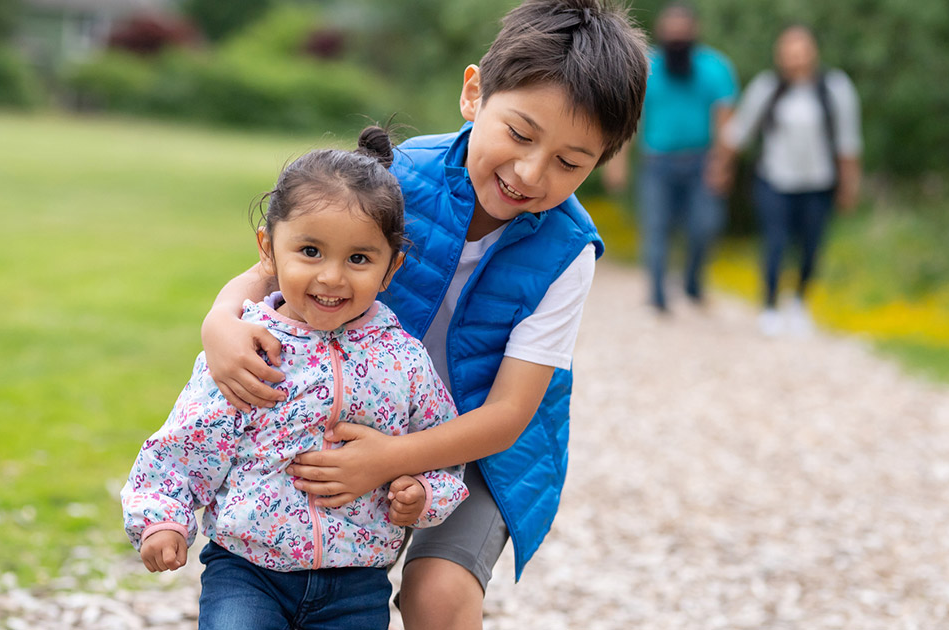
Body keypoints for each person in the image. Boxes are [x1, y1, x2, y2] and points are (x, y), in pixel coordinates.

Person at [199, 1, 650, 628]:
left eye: (570, 163)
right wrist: (220, 318)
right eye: (520, 134)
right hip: (358, 409)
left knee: (437, 594)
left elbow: (508, 415)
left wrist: (390, 459)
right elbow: (285, 262)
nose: (530, 172)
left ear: (600, 162)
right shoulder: (400, 176)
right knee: (293, 565)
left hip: (480, 447)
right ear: (474, 94)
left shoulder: (568, 252)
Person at [121, 127, 469, 630]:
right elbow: (185, 442)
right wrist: (161, 518)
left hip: (357, 578)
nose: (331, 276)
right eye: (310, 251)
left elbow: (439, 447)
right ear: (269, 249)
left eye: (358, 259)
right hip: (248, 570)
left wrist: (423, 495)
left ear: (391, 269)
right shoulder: (249, 347)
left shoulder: (405, 361)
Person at [709, 24, 862, 337]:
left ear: (813, 51)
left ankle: (799, 302)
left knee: (811, 246)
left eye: (801, 49)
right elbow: (737, 133)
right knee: (775, 243)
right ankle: (769, 306)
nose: (796, 57)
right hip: (774, 180)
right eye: (789, 51)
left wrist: (849, 185)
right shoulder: (767, 88)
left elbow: (848, 142)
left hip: (818, 183)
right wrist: (721, 166)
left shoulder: (835, 88)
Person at [603, 2, 738, 312]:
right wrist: (617, 162)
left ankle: (692, 282)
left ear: (694, 32)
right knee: (656, 227)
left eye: (683, 30)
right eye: (671, 30)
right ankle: (658, 294)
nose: (677, 36)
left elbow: (726, 122)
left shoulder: (715, 69)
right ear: (661, 32)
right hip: (658, 163)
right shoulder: (647, 67)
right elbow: (630, 121)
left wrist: (722, 163)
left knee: (705, 226)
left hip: (702, 161)